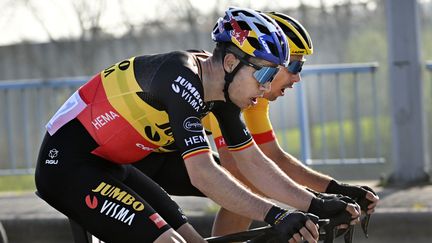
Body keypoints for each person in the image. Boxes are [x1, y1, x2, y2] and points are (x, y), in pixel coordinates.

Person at [35, 7, 324, 243]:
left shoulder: (221, 93)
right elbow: (202, 173)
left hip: (111, 165)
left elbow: (253, 164)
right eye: (264, 75)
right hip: (67, 165)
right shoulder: (180, 77)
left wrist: (319, 203)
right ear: (231, 62)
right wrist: (276, 215)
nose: (267, 87)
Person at [202, 12, 380, 236]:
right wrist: (316, 201)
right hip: (155, 155)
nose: (297, 78)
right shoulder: (230, 91)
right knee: (247, 186)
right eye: (294, 67)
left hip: (172, 155)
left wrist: (337, 189)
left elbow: (274, 158)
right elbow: (236, 172)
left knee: (251, 188)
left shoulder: (255, 102)